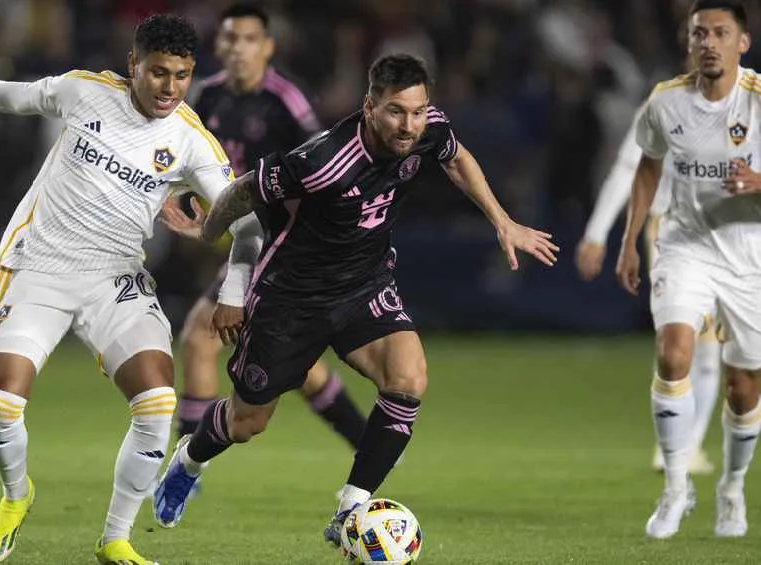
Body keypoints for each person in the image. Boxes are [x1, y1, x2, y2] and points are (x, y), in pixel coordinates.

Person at [152, 53, 558, 547]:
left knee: (408, 378)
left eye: (417, 110)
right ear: (369, 106)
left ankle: (351, 507)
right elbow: (243, 192)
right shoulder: (321, 163)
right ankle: (189, 461)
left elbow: (455, 157)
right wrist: (207, 232)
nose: (410, 125)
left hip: (364, 284)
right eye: (395, 112)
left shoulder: (426, 127)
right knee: (246, 422)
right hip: (290, 299)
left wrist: (502, 220)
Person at [0, 14, 259, 565]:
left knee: (157, 402)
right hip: (40, 268)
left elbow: (246, 224)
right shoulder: (85, 93)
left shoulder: (191, 142)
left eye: (181, 75)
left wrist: (234, 291)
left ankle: (115, 539)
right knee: (0, 404)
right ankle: (16, 495)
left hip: (115, 277)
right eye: (157, 73)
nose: (169, 87)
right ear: (134, 65)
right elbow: (18, 97)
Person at [176, 2, 366, 451]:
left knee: (200, 337)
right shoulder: (207, 97)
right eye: (230, 38)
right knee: (294, 364)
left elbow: (325, 171)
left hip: (282, 246)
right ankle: (366, 439)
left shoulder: (287, 101)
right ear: (218, 45)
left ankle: (187, 460)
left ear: (268, 47)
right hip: (245, 239)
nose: (238, 48)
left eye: (248, 39)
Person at [616, 0, 761, 539]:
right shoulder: (666, 102)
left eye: (720, 33)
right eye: (699, 33)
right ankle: (676, 487)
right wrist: (630, 240)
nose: (708, 42)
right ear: (688, 41)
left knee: (744, 386)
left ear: (741, 43)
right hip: (685, 246)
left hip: (748, 257)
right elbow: (648, 166)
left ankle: (732, 487)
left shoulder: (759, 102)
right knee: (673, 351)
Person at [576, 117, 720, 475]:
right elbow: (627, 170)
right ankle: (677, 447)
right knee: (683, 336)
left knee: (711, 350)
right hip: (672, 227)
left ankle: (686, 446)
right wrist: (596, 233)